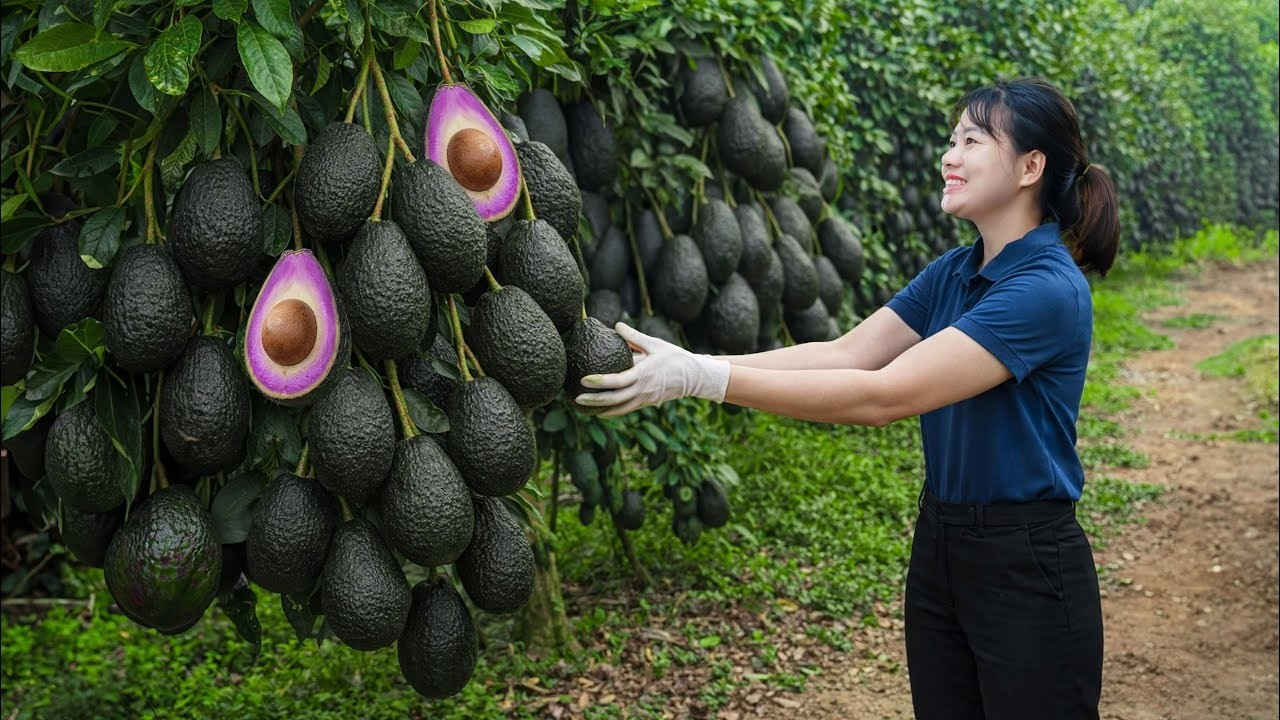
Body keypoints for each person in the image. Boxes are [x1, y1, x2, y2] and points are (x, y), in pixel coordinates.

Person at [575, 76, 1119, 720]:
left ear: (1032, 166)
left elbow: (882, 394)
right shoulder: (953, 271)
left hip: (1025, 561)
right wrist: (698, 363)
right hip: (942, 544)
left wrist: (704, 381)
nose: (949, 155)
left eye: (972, 140)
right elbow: (846, 353)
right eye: (952, 138)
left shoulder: (1045, 290)